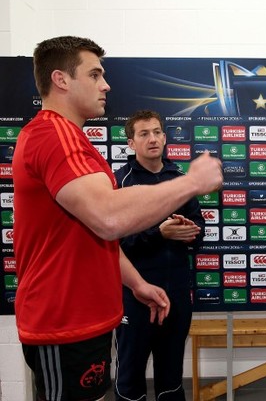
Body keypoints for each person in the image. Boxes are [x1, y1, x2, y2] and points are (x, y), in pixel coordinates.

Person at [12, 36, 222, 401]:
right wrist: (192, 182)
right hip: (63, 322)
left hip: (84, 321)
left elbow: (93, 233)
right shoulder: (54, 136)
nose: (106, 84)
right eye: (94, 75)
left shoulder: (71, 139)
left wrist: (136, 283)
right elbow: (109, 218)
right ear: (61, 80)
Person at [113, 110, 205, 401]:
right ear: (131, 143)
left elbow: (198, 234)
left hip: (176, 294)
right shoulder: (119, 182)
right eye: (144, 134)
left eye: (156, 132)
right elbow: (114, 244)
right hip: (135, 295)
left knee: (171, 378)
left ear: (165, 138)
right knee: (129, 379)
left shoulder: (180, 180)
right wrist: (159, 234)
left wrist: (189, 232)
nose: (152, 139)